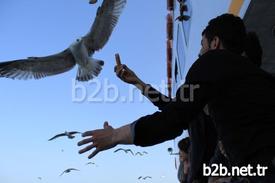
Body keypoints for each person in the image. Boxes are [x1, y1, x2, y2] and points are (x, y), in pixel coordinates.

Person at [78, 14, 275, 182]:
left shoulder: (212, 62)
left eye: (202, 45)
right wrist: (138, 83)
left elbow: (173, 118)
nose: (199, 53)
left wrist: (115, 136)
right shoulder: (251, 81)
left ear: (214, 43)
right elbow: (175, 106)